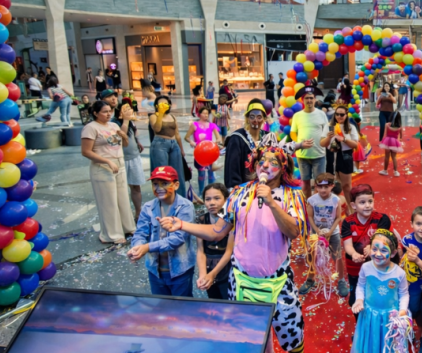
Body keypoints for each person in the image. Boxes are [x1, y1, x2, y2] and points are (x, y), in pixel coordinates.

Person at [158, 133, 308, 353]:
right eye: (261, 161)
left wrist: (272, 203)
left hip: (278, 283)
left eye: (274, 162)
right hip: (241, 282)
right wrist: (182, 224)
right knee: (252, 340)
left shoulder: (292, 196)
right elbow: (217, 232)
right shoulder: (238, 194)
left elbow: (294, 231)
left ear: (283, 168)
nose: (266, 165)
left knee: (293, 342)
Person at [128, 166, 195, 296]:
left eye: (165, 183)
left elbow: (177, 239)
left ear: (176, 185)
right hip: (155, 271)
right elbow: (140, 233)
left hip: (180, 271)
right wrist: (137, 248)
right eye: (155, 184)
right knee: (161, 308)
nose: (159, 188)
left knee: (182, 309)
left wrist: (147, 247)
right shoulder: (148, 207)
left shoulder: (185, 207)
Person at [80, 101, 135, 244]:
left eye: (110, 111)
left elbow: (121, 144)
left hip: (119, 165)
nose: (108, 114)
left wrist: (124, 135)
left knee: (123, 198)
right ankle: (112, 234)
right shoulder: (90, 128)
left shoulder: (114, 125)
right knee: (108, 202)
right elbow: (86, 151)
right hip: (103, 168)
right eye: (104, 111)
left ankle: (127, 227)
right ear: (95, 113)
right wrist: (107, 161)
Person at [350, 229, 409, 353]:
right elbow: (360, 286)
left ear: (392, 253)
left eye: (383, 250)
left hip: (391, 317)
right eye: (374, 249)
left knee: (388, 344)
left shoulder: (399, 273)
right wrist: (359, 300)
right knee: (371, 342)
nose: (377, 254)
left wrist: (402, 311)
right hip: (370, 315)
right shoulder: (366, 267)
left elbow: (403, 294)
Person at [342, 184, 392, 319]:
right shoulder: (347, 222)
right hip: (355, 268)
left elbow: (383, 239)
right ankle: (360, 325)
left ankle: (376, 323)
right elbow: (348, 245)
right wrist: (354, 254)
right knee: (356, 299)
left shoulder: (382, 219)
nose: (367, 205)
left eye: (370, 201)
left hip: (377, 267)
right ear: (353, 205)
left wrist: (372, 246)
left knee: (377, 296)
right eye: (362, 202)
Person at [299, 173, 349, 297]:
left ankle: (341, 280)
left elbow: (338, 218)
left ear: (332, 186)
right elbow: (310, 216)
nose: (323, 190)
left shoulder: (335, 200)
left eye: (326, 187)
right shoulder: (312, 200)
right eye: (320, 187)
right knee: (312, 256)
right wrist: (317, 231)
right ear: (315, 186)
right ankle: (310, 279)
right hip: (317, 233)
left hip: (333, 232)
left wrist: (331, 231)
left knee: (337, 256)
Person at [401, 206, 422, 353]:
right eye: (418, 224)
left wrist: (417, 260)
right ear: (411, 224)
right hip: (412, 283)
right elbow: (402, 262)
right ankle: (415, 328)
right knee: (413, 309)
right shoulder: (407, 240)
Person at [195, 183, 233, 299]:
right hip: (209, 267)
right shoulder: (202, 219)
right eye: (207, 199)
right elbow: (201, 250)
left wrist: (212, 274)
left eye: (217, 198)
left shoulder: (230, 220)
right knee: (214, 303)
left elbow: (229, 252)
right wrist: (203, 275)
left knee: (229, 303)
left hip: (227, 269)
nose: (212, 202)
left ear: (226, 200)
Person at [110, 96, 145, 221]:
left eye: (130, 109)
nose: (129, 111)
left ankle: (138, 211)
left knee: (136, 186)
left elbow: (131, 134)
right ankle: (124, 215)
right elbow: (121, 138)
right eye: (126, 109)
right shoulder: (114, 123)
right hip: (122, 159)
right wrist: (125, 121)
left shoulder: (130, 121)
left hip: (134, 156)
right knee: (122, 188)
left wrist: (137, 142)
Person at [291, 86, 328, 198]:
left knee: (319, 184)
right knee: (305, 184)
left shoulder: (321, 114)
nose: (309, 100)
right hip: (302, 155)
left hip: (319, 154)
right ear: (303, 100)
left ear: (315, 99)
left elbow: (326, 130)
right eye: (307, 98)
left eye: (311, 98)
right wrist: (299, 143)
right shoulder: (297, 116)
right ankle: (307, 206)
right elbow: (293, 132)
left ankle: (316, 206)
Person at [149, 95, 187, 198]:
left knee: (177, 173)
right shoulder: (154, 116)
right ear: (156, 106)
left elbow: (177, 133)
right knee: (162, 172)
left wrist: (181, 149)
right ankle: (164, 197)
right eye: (161, 104)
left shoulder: (172, 116)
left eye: (165, 103)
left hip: (173, 144)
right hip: (160, 144)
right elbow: (156, 129)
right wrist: (160, 114)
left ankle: (180, 198)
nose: (163, 106)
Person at [321, 105, 359, 202]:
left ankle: (350, 207)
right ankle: (332, 208)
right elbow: (322, 143)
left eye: (342, 114)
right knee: (330, 184)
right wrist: (328, 138)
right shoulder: (329, 126)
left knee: (346, 185)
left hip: (345, 156)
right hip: (331, 155)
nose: (339, 116)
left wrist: (344, 139)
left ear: (346, 115)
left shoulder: (351, 127)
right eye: (337, 114)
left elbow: (355, 145)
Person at [184, 107, 223, 196]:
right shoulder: (194, 125)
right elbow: (186, 137)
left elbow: (218, 138)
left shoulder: (212, 125)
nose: (205, 115)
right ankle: (202, 192)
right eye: (203, 113)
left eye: (207, 113)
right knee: (201, 174)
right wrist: (191, 141)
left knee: (211, 173)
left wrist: (215, 143)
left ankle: (212, 191)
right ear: (199, 114)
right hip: (199, 153)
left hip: (210, 153)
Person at [378, 110, 403, 176]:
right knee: (394, 157)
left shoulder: (387, 124)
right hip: (395, 142)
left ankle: (385, 170)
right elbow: (400, 137)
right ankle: (396, 172)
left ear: (391, 116)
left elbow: (385, 135)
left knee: (387, 156)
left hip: (387, 141)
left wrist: (382, 142)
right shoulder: (400, 127)